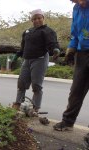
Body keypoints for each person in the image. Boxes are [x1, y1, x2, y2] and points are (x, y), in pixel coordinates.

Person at [11, 9, 60, 114]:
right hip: (27, 59)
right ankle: (17, 103)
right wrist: (16, 57)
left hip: (40, 59)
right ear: (31, 20)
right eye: (34, 19)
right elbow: (23, 47)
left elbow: (52, 43)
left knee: (36, 85)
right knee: (21, 82)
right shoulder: (27, 32)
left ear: (43, 18)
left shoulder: (47, 31)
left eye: (39, 18)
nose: (37, 20)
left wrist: (56, 50)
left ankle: (35, 107)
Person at [53, 0, 89, 131]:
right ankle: (68, 122)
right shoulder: (76, 8)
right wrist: (71, 50)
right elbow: (75, 33)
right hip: (82, 53)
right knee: (76, 90)